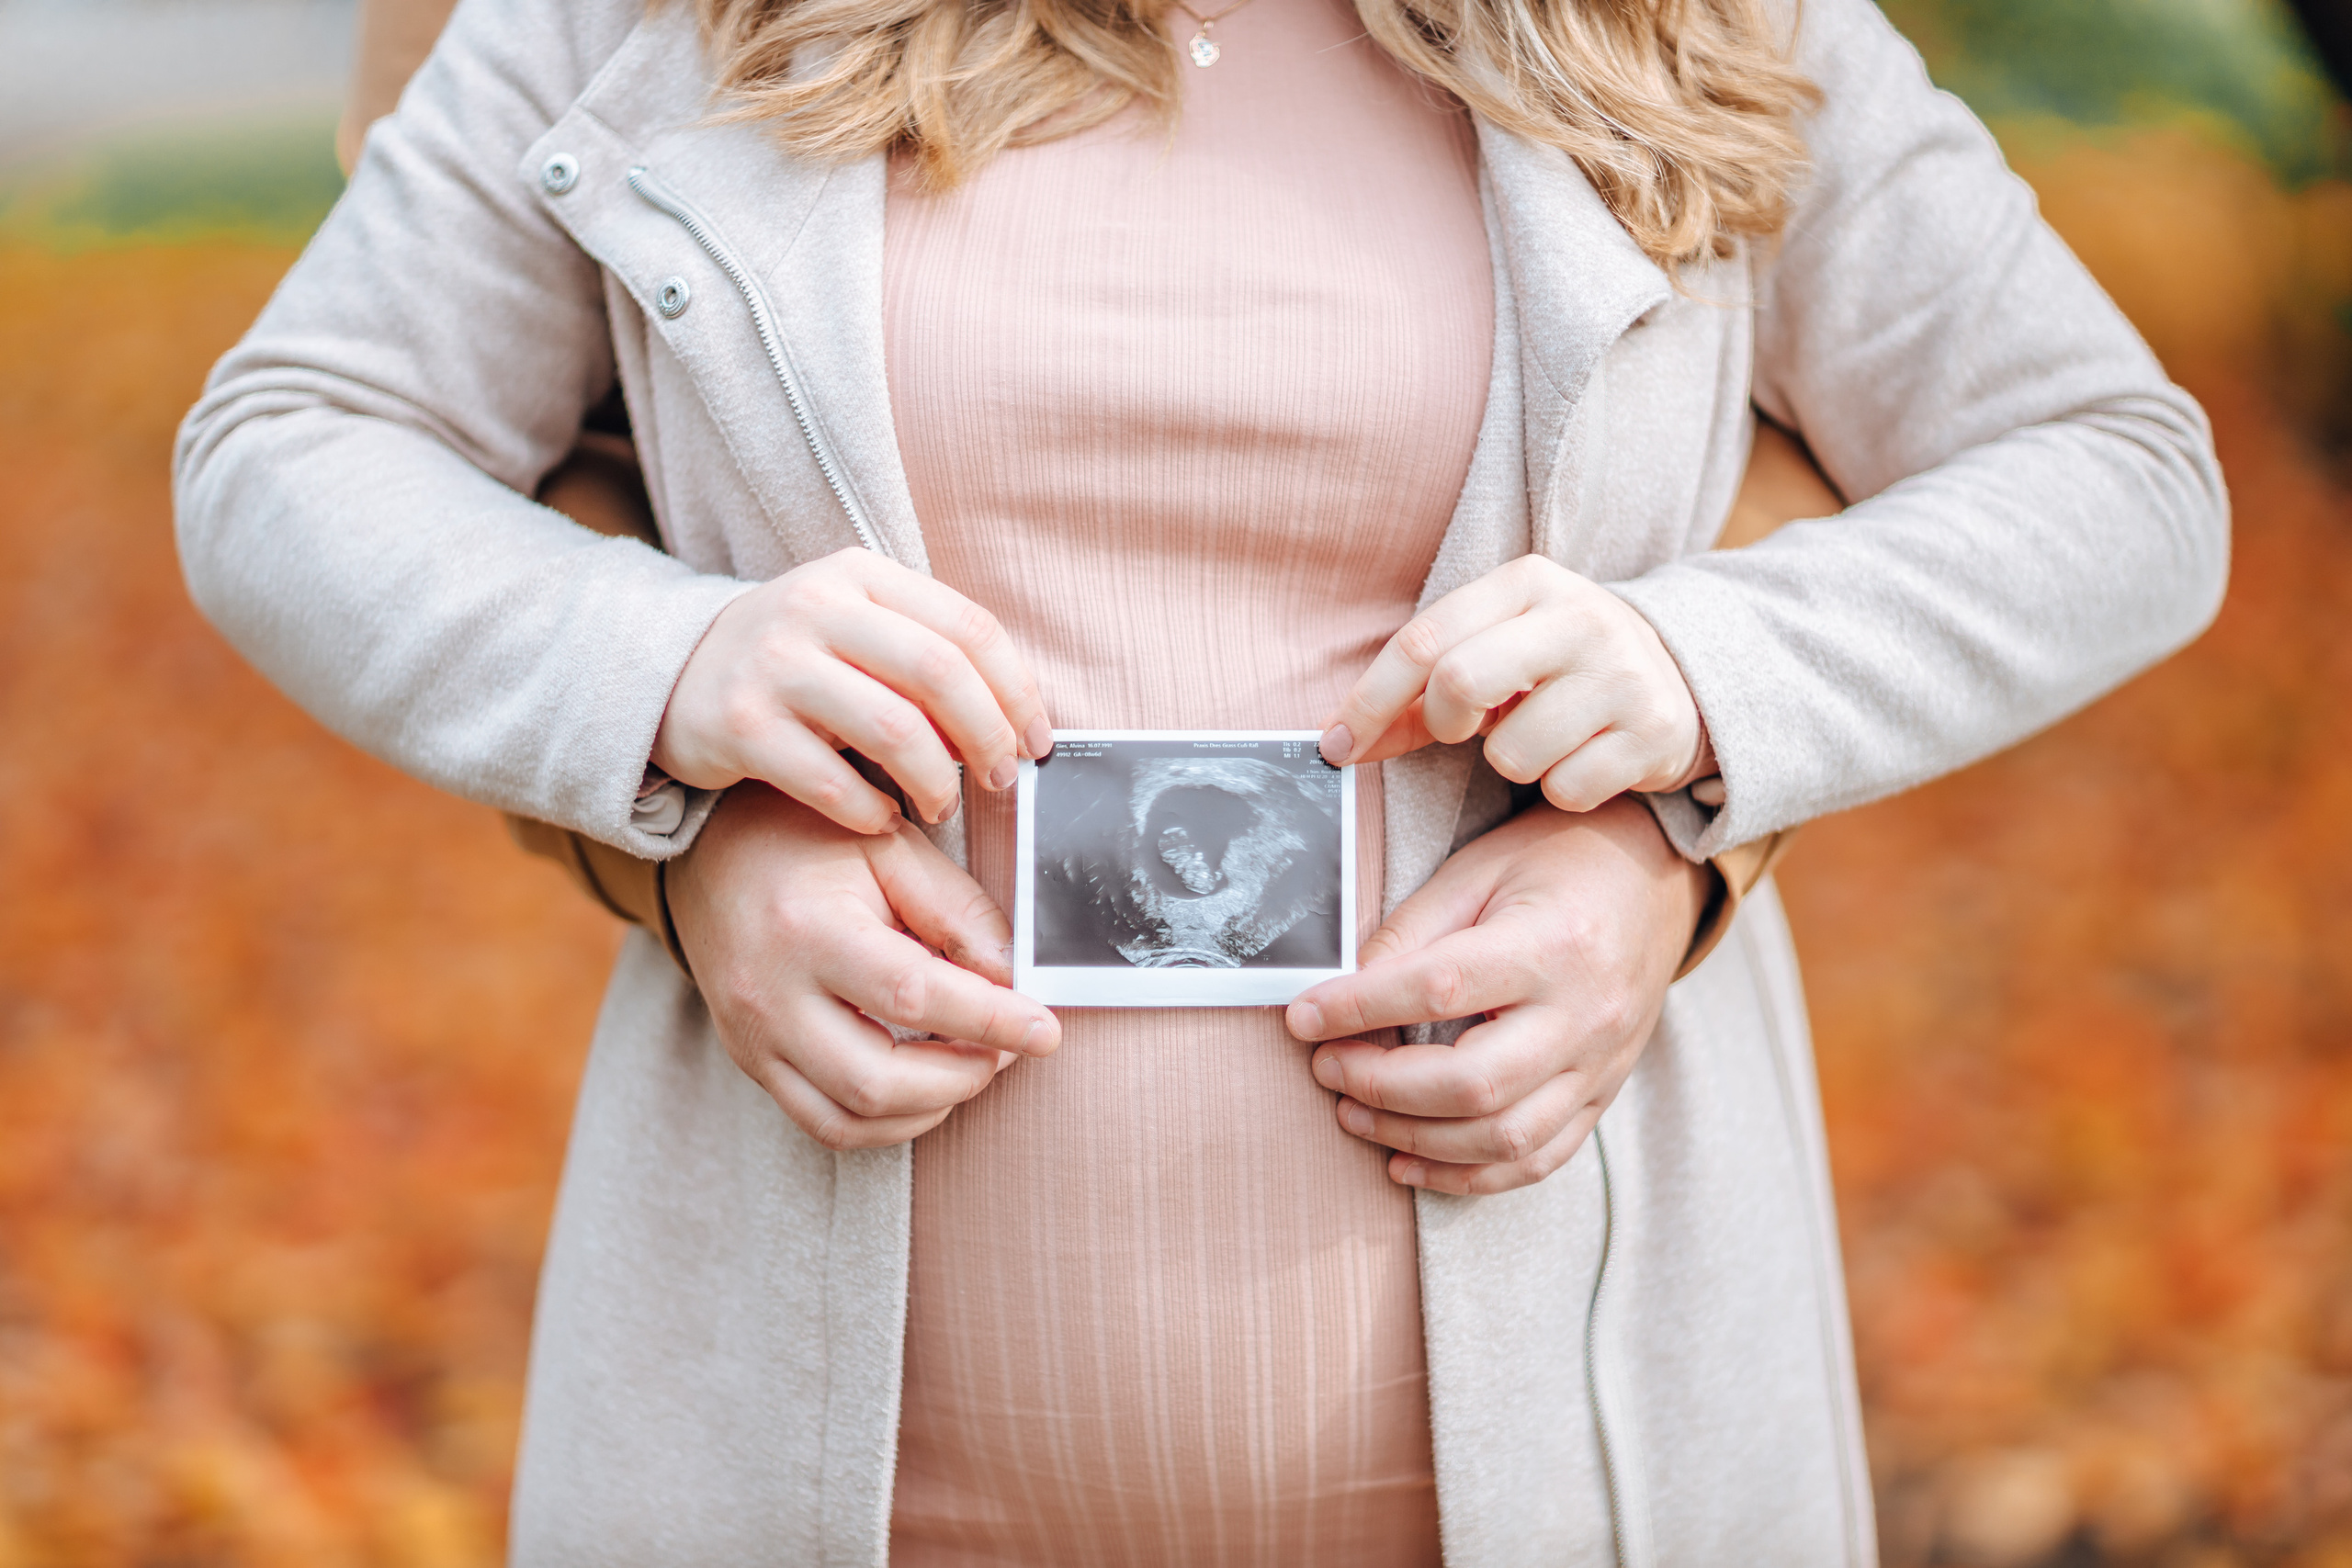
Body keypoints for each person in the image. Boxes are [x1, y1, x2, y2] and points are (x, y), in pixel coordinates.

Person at [174, 0, 2229, 1557]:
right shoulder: (649, 17)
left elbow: (2113, 471)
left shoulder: (1700, 17)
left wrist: (1699, 711)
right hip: (808, 1459)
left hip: (1580, 1451)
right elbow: (295, 443)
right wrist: (664, 689)